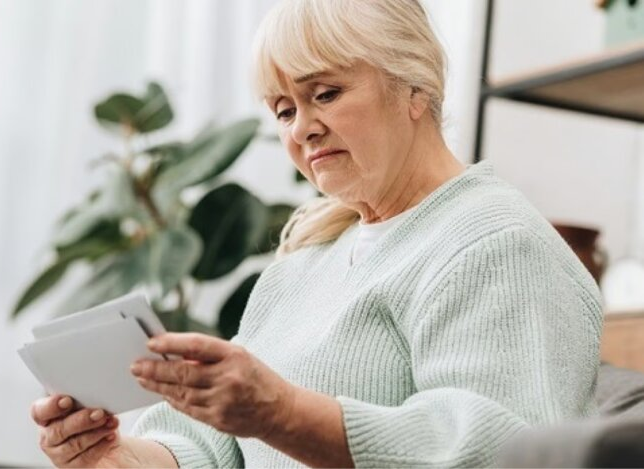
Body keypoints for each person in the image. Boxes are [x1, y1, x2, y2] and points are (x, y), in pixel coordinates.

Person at [30, 0, 604, 467]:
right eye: (283, 110)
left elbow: (496, 453)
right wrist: (112, 457)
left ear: (414, 89)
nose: (303, 127)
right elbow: (209, 449)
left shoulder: (494, 244)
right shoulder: (298, 270)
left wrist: (281, 412)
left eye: (324, 94)